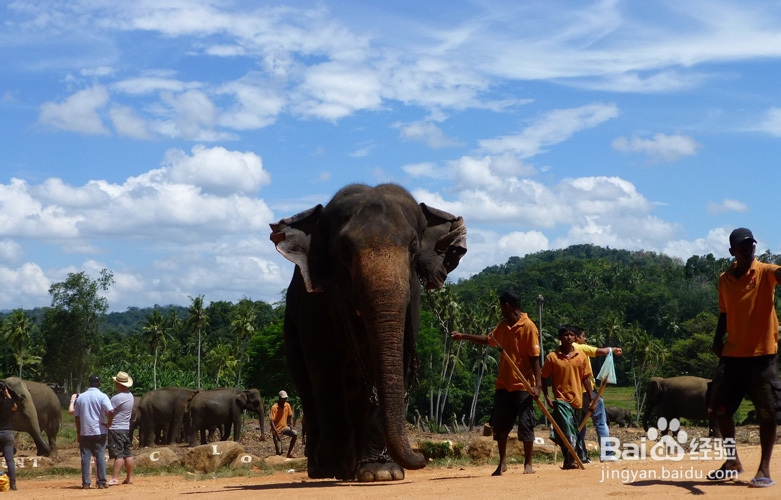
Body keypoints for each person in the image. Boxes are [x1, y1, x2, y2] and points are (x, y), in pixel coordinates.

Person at [708, 227, 781, 488]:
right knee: (721, 410)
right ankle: (732, 461)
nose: (748, 249)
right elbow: (724, 313)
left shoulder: (765, 272)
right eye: (743, 246)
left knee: (768, 413)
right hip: (733, 355)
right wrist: (717, 340)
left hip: (762, 356)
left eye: (751, 245)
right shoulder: (724, 279)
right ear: (732, 251)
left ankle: (764, 469)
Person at [451, 289, 541, 476]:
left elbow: (534, 358)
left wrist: (537, 385)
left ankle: (528, 463)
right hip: (504, 384)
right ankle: (502, 462)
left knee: (526, 424)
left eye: (501, 306)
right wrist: (464, 336)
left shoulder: (528, 326)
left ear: (507, 306)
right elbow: (488, 340)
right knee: (500, 427)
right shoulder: (503, 326)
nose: (501, 309)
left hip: (523, 384)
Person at [541, 326, 595, 470]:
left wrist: (591, 398)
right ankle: (573, 458)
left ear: (575, 337)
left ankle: (568, 459)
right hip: (561, 401)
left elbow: (586, 378)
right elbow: (543, 377)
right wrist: (547, 397)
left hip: (577, 400)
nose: (569, 337)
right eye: (566, 335)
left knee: (572, 431)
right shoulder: (552, 357)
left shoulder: (581, 356)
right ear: (560, 338)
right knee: (568, 430)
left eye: (571, 335)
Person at [571, 325, 622, 463]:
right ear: (576, 337)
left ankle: (581, 455)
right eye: (583, 336)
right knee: (600, 423)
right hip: (587, 393)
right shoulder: (579, 347)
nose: (585, 339)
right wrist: (613, 349)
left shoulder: (563, 351)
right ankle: (606, 453)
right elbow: (601, 351)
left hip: (574, 394)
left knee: (580, 424)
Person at [74, 375, 114, 489]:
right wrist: (109, 423)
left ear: (88, 383)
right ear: (99, 384)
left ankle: (86, 483)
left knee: (85, 457)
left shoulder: (81, 397)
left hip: (85, 431)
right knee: (100, 456)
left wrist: (78, 432)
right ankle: (101, 482)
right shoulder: (102, 396)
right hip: (99, 430)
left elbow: (77, 417)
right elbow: (111, 411)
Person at [107, 371, 134, 486]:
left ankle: (115, 478)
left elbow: (108, 411)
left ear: (118, 384)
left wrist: (108, 422)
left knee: (118, 454)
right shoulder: (130, 396)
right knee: (128, 453)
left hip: (116, 428)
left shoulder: (117, 398)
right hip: (126, 428)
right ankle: (129, 477)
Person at [0, 381, 18, 491]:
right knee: (10, 460)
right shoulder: (8, 403)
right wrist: (7, 394)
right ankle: (13, 485)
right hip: (7, 434)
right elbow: (15, 407)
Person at [269, 390, 297, 458]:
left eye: (285, 398)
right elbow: (271, 421)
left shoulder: (287, 405)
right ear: (279, 398)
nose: (284, 400)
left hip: (284, 427)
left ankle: (289, 453)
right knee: (279, 452)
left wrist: (291, 424)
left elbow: (290, 416)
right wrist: (277, 433)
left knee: (295, 433)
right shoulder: (274, 407)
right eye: (283, 398)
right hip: (277, 430)